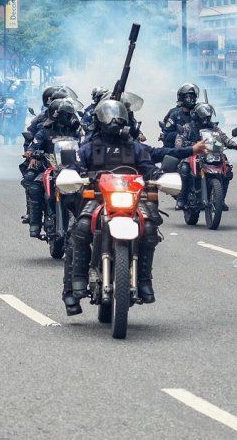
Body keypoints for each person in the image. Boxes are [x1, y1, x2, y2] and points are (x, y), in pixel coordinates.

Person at [65, 99, 167, 314]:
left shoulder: (134, 147)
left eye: (118, 116)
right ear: (99, 120)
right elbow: (75, 165)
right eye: (109, 116)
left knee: (149, 229)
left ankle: (144, 280)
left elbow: (148, 167)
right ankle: (78, 281)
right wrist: (77, 175)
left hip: (131, 199)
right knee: (81, 227)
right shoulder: (90, 147)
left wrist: (159, 177)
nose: (115, 121)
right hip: (99, 198)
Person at [24, 97, 84, 238]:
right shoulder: (45, 131)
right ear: (57, 115)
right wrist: (31, 153)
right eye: (66, 114)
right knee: (34, 186)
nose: (69, 117)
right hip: (50, 167)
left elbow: (84, 143)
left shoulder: (75, 130)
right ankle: (35, 223)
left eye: (70, 114)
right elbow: (34, 144)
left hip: (71, 168)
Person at [175, 102, 237, 211]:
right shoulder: (188, 127)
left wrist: (233, 144)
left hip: (211, 153)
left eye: (208, 116)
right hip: (193, 153)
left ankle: (220, 200)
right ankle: (181, 198)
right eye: (203, 116)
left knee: (227, 170)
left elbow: (223, 138)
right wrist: (188, 145)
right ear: (196, 115)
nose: (206, 119)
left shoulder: (214, 128)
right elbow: (179, 142)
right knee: (184, 168)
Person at [160, 83, 198, 147]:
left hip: (199, 147)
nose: (192, 99)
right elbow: (167, 136)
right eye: (189, 97)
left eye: (193, 96)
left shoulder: (198, 113)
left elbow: (208, 128)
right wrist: (181, 135)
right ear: (182, 98)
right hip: (180, 150)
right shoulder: (175, 114)